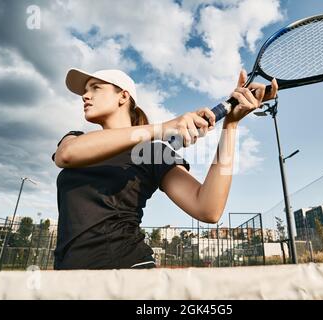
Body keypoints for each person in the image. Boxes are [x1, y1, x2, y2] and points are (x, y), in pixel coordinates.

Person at [51, 68, 278, 269]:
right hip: (70, 274)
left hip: (127, 273)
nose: (85, 95)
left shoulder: (153, 152)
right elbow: (66, 156)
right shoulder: (75, 139)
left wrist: (231, 125)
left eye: (95, 88)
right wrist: (163, 127)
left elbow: (208, 209)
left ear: (123, 96)